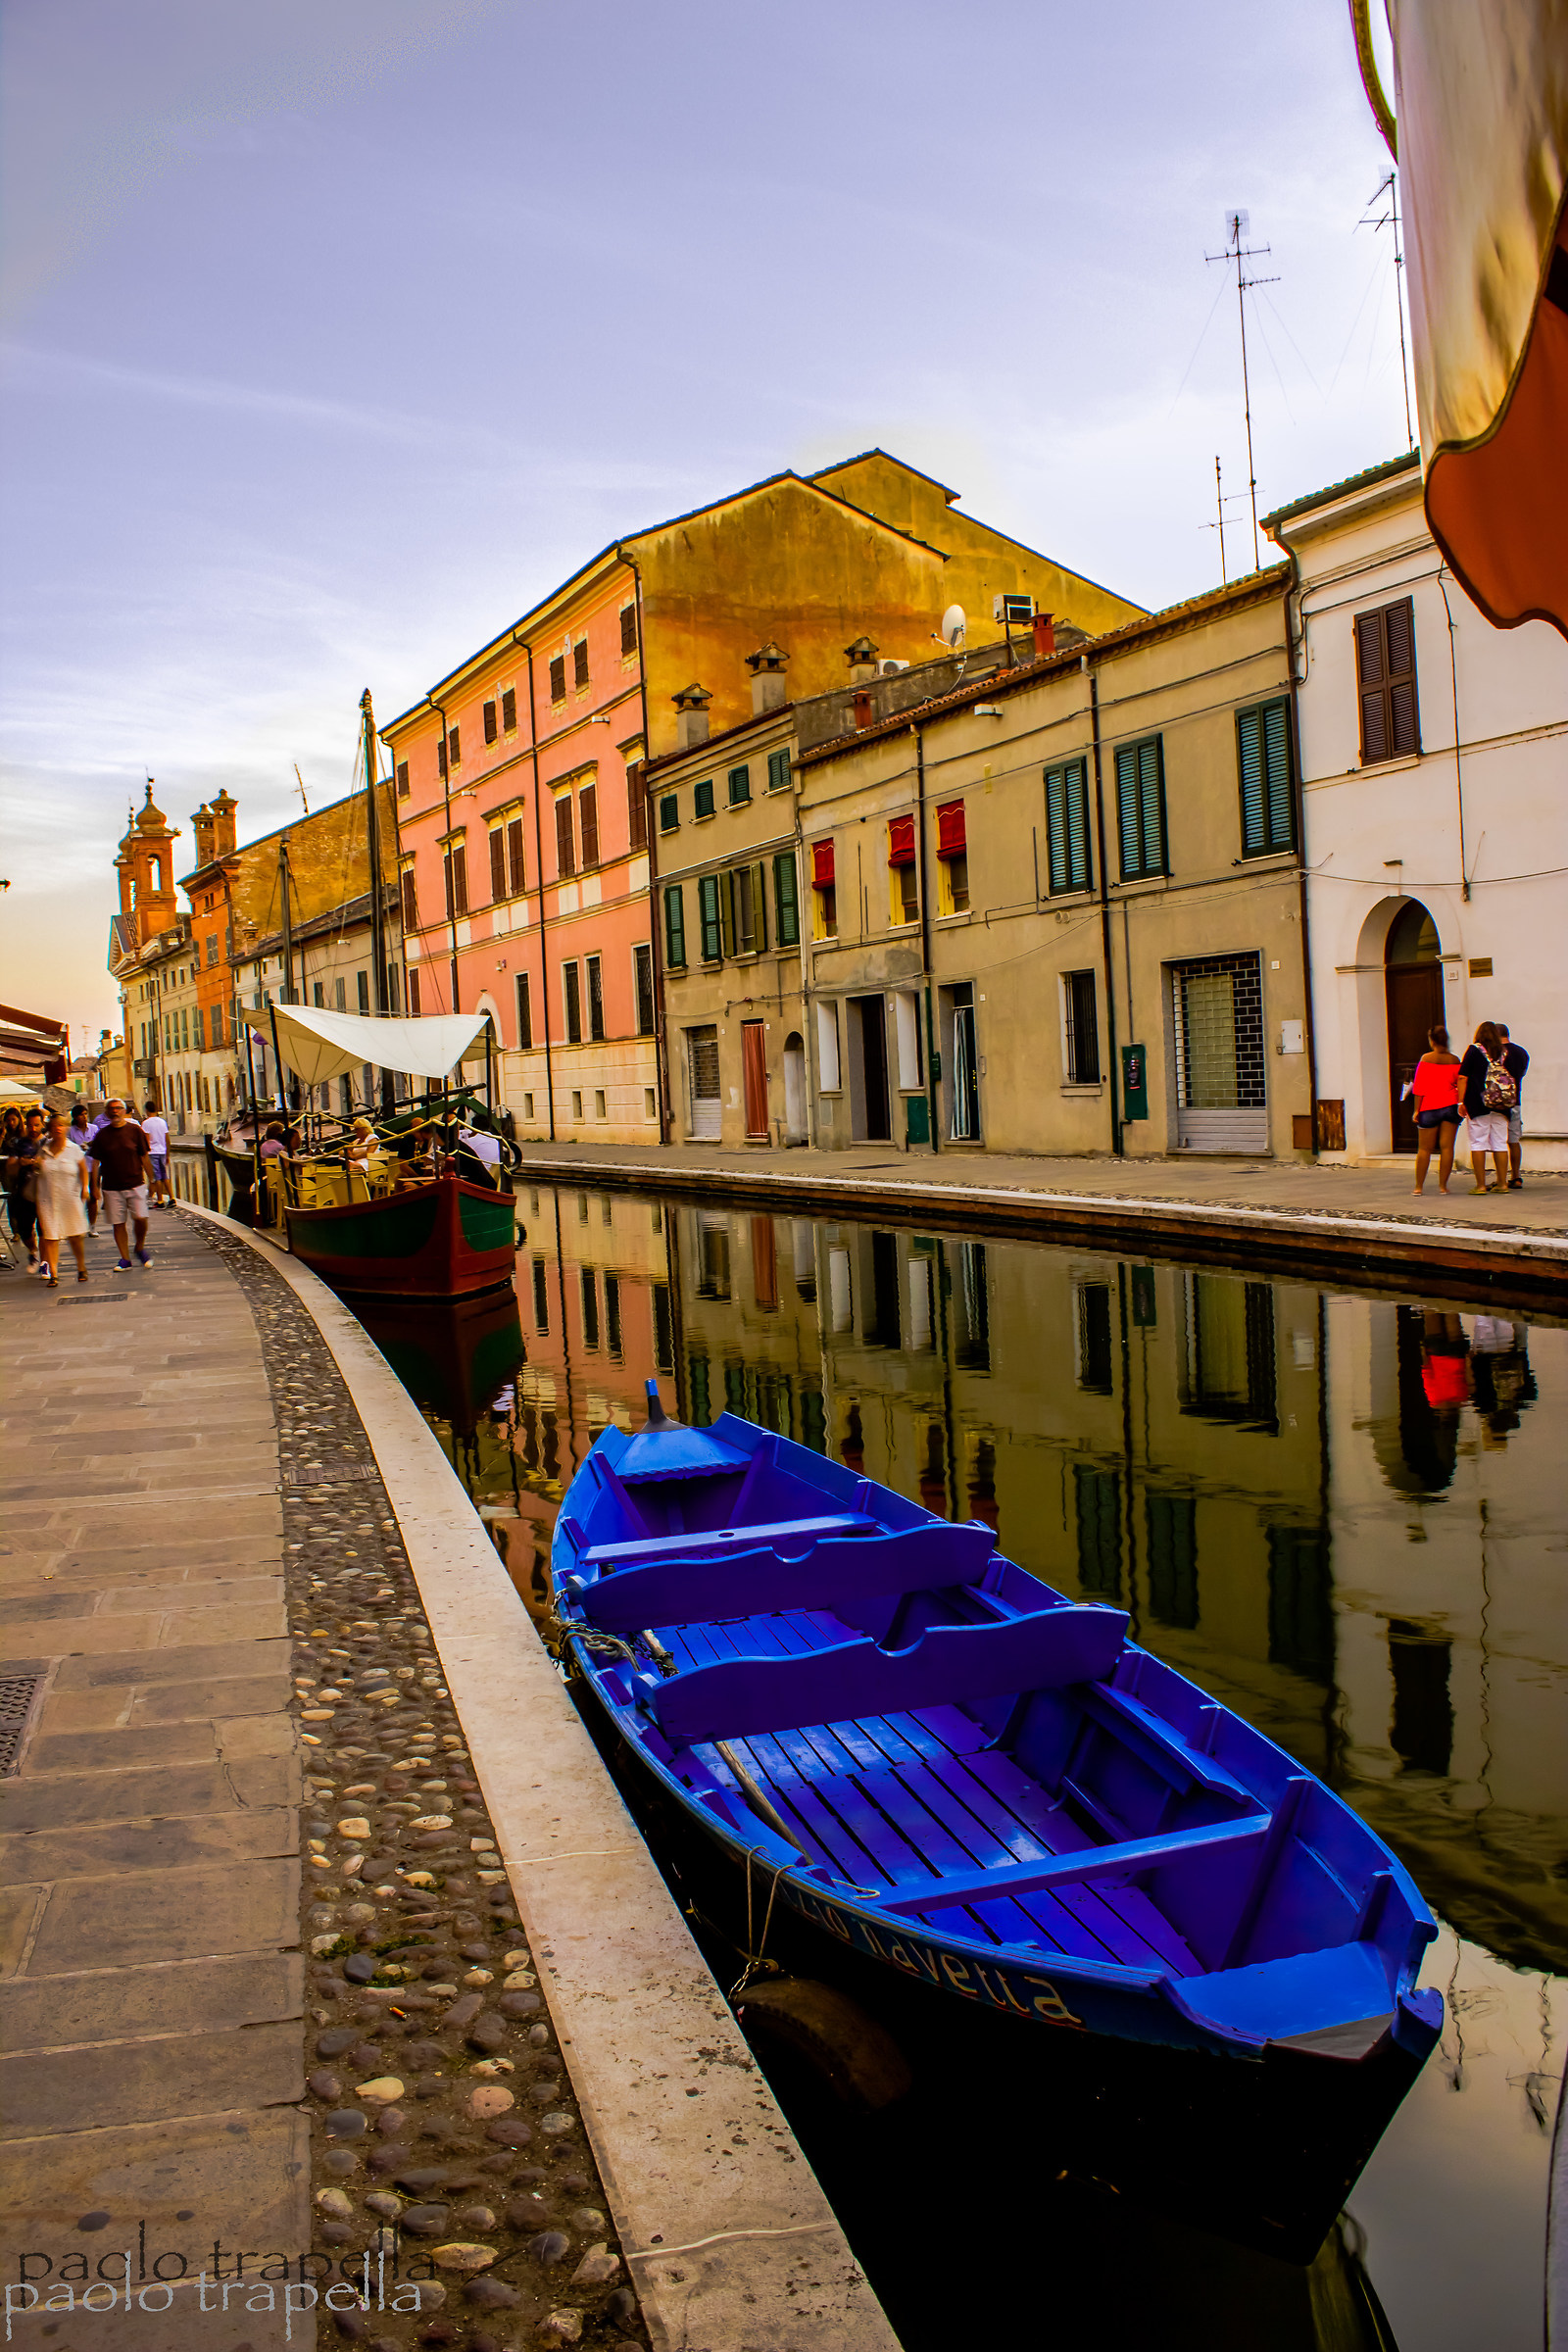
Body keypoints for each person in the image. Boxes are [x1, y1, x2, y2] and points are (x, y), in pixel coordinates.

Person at [87, 1099, 154, 1269]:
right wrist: (94, 1186)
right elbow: (95, 1162)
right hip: (111, 1186)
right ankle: (125, 1259)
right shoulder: (102, 1135)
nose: (115, 1111)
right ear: (107, 1113)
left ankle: (139, 1246)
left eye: (118, 1108)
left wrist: (152, 1179)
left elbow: (144, 1156)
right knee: (118, 1223)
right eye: (111, 1109)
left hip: (135, 1182)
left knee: (140, 1218)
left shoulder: (135, 1131)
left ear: (124, 1111)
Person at [1457, 1020, 1515, 1195]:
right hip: (1502, 1105)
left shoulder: (1474, 1050)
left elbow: (1463, 1077)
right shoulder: (1504, 1052)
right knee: (1500, 1143)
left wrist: (1461, 1102)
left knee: (1478, 1143)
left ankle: (1480, 1185)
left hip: (1478, 1103)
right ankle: (1503, 1183)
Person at [34, 1111, 90, 1286]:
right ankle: (54, 1274)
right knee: (51, 1236)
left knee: (75, 1236)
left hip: (69, 1197)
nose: (58, 1129)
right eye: (54, 1126)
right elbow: (36, 1171)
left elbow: (83, 1170)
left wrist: (86, 1188)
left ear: (66, 1128)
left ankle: (81, 1267)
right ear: (49, 1129)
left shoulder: (73, 1149)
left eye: (61, 1125)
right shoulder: (42, 1148)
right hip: (47, 1197)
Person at [1406, 1024, 1463, 1194]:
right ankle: (1443, 1186)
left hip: (1429, 1106)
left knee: (1424, 1149)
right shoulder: (1454, 1060)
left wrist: (1417, 1110)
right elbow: (1458, 1083)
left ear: (1432, 1040)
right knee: (1447, 1148)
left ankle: (1418, 1187)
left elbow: (1419, 1087)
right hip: (1450, 1105)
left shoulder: (1426, 1059)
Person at [4, 1107, 46, 1270]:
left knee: (44, 1230)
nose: (33, 1129)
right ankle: (33, 1250)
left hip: (44, 1193)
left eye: (36, 1125)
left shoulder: (49, 1143)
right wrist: (19, 1163)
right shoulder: (20, 1144)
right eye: (30, 1125)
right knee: (25, 1230)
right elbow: (10, 1167)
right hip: (24, 1193)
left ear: (42, 1124)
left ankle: (45, 1263)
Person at [1496, 1024, 1529, 1189]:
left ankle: (1501, 1179)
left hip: (1497, 1102)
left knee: (1499, 1142)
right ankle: (1516, 1175)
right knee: (1514, 1140)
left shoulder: (1495, 1053)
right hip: (1516, 1100)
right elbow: (1522, 1073)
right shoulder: (1521, 1052)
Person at [141, 1102, 172, 1208]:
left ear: (146, 1110)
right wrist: (167, 1154)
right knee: (165, 1176)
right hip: (162, 1151)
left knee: (157, 1177)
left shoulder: (146, 1123)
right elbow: (167, 1139)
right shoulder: (162, 1122)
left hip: (152, 1152)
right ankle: (172, 1198)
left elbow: (146, 1140)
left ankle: (160, 1201)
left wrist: (143, 1154)